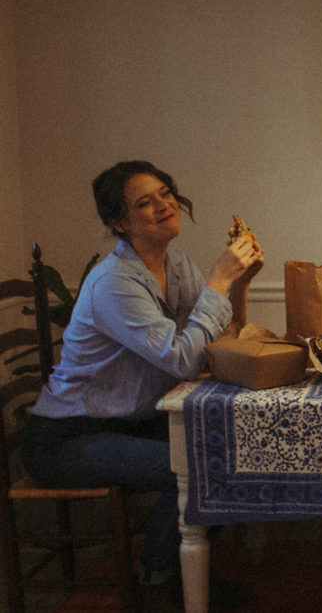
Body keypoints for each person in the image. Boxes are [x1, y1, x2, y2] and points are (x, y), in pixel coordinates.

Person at [21, 160, 263, 607]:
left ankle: (190, 573)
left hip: (127, 423)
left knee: (230, 451)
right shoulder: (113, 284)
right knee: (195, 466)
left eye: (165, 193)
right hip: (67, 437)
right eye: (143, 202)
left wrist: (240, 283)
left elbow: (219, 342)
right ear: (119, 221)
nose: (163, 205)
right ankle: (158, 581)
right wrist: (219, 280)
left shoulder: (177, 265)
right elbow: (182, 359)